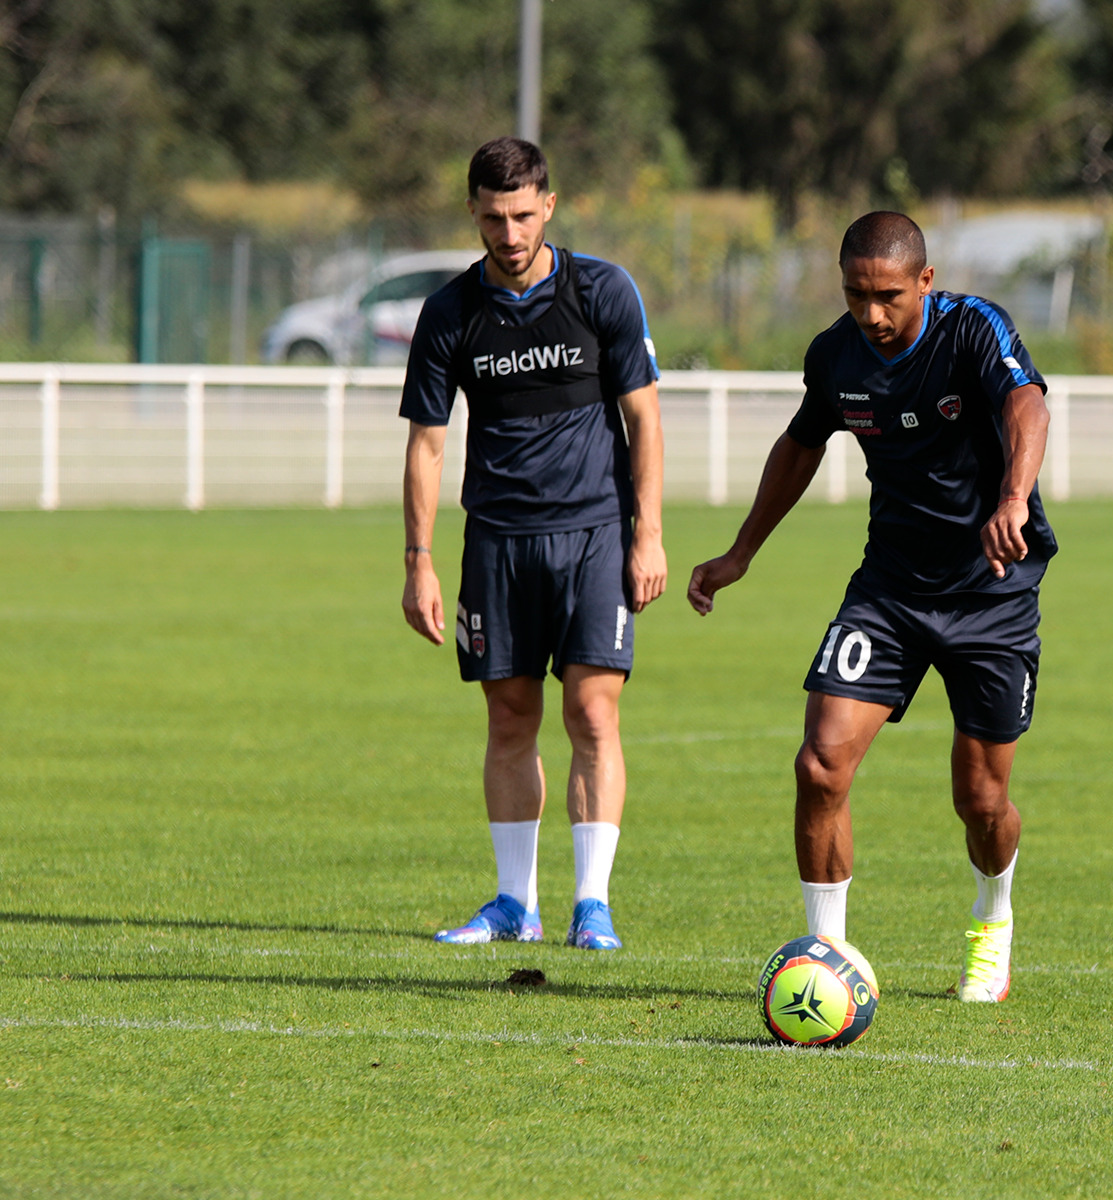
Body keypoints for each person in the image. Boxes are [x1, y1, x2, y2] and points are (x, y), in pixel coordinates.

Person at [687, 211, 1053, 1003]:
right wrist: (741, 551)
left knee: (981, 799)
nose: (872, 315)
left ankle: (994, 920)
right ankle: (828, 959)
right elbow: (801, 443)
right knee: (819, 766)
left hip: (992, 587)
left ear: (926, 280)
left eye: (888, 295)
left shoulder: (973, 330)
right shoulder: (835, 353)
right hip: (888, 590)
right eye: (856, 295)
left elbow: (1027, 403)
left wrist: (1014, 497)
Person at [400, 137, 666, 950]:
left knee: (593, 712)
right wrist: (419, 561)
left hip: (592, 534)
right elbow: (427, 444)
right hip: (498, 543)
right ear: (473, 213)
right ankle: (516, 902)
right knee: (509, 718)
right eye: (492, 217)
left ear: (548, 205)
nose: (508, 233)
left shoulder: (602, 291)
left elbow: (644, 417)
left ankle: (593, 904)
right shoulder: (451, 313)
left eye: (521, 215)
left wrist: (647, 534)